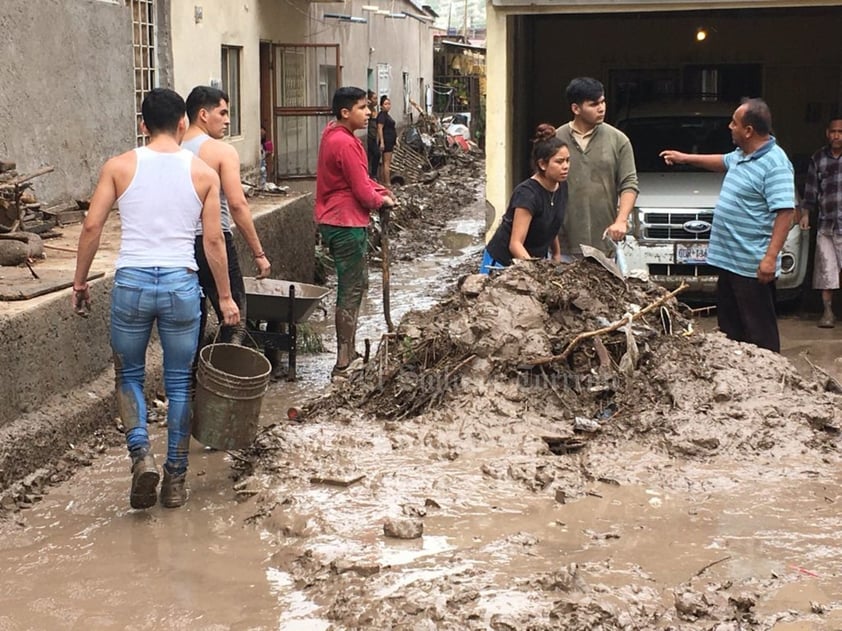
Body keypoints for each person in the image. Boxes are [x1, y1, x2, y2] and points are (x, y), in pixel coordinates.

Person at [71, 88, 239, 509]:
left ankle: (141, 453)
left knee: (128, 374)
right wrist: (225, 297)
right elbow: (214, 242)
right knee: (180, 380)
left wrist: (79, 282)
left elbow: (92, 227)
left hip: (133, 283)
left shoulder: (119, 167)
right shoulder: (204, 173)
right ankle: (176, 478)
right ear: (183, 123)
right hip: (182, 284)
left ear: (143, 125)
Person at [660, 98, 796, 352]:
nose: (729, 127)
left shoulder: (776, 164)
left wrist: (770, 258)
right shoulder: (742, 155)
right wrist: (684, 157)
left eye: (734, 123)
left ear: (748, 131)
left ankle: (766, 382)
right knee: (731, 328)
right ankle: (736, 380)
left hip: (751, 266)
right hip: (729, 261)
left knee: (759, 332)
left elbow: (785, 213)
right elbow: (722, 161)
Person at [316, 86, 396, 378]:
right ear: (345, 112)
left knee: (358, 282)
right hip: (345, 222)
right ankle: (342, 362)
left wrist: (381, 190)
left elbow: (359, 180)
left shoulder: (333, 134)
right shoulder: (347, 144)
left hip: (338, 218)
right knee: (350, 288)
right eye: (363, 108)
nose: (369, 113)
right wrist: (379, 199)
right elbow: (362, 190)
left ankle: (348, 351)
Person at [182, 86, 271, 347]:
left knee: (191, 319)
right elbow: (237, 204)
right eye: (222, 112)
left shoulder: (174, 149)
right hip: (213, 239)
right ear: (203, 114)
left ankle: (190, 381)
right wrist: (258, 253)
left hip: (181, 244)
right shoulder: (221, 152)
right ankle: (227, 380)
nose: (228, 120)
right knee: (234, 318)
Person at [555, 77, 638, 255]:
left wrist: (621, 221)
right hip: (561, 243)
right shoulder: (555, 140)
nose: (601, 108)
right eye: (593, 104)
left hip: (604, 242)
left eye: (603, 101)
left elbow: (629, 183)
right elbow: (541, 185)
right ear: (576, 108)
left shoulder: (618, 140)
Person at [482, 124, 570, 272]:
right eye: (559, 162)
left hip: (533, 261)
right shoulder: (527, 195)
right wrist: (535, 274)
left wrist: (556, 255)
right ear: (542, 164)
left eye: (568, 160)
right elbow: (515, 244)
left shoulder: (562, 186)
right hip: (503, 263)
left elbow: (552, 223)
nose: (566, 166)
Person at [798, 115, 842, 328]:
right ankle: (828, 312)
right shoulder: (818, 158)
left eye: (840, 132)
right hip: (826, 224)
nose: (836, 136)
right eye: (833, 132)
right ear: (827, 133)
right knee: (826, 270)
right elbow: (811, 190)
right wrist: (805, 214)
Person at [377, 95, 397, 187]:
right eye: (385, 104)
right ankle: (388, 183)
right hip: (386, 141)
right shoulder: (381, 116)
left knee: (384, 163)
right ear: (381, 106)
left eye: (389, 104)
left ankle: (382, 181)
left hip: (389, 141)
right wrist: (382, 142)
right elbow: (380, 128)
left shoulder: (386, 115)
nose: (388, 106)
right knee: (386, 164)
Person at [366, 90, 381, 180]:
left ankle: (372, 174)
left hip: (374, 136)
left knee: (373, 155)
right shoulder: (368, 110)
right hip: (369, 136)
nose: (376, 100)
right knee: (376, 154)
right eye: (374, 98)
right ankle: (373, 174)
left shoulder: (375, 110)